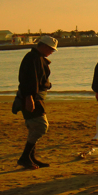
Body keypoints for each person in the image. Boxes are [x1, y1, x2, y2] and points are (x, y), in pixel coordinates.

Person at [13, 35, 57, 170]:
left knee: (34, 127)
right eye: (51, 49)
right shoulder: (32, 58)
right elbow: (28, 80)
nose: (52, 51)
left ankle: (31, 157)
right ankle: (25, 157)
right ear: (43, 46)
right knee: (41, 126)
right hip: (32, 97)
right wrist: (29, 98)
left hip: (35, 96)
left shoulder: (37, 58)